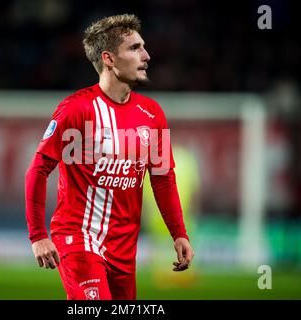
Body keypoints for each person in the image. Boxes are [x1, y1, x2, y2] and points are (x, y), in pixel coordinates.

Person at [25, 14, 194, 300]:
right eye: (135, 48)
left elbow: (163, 179)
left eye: (143, 47)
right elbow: (38, 169)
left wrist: (179, 233)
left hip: (125, 248)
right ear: (109, 59)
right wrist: (38, 235)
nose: (146, 55)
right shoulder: (76, 110)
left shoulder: (153, 114)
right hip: (79, 239)